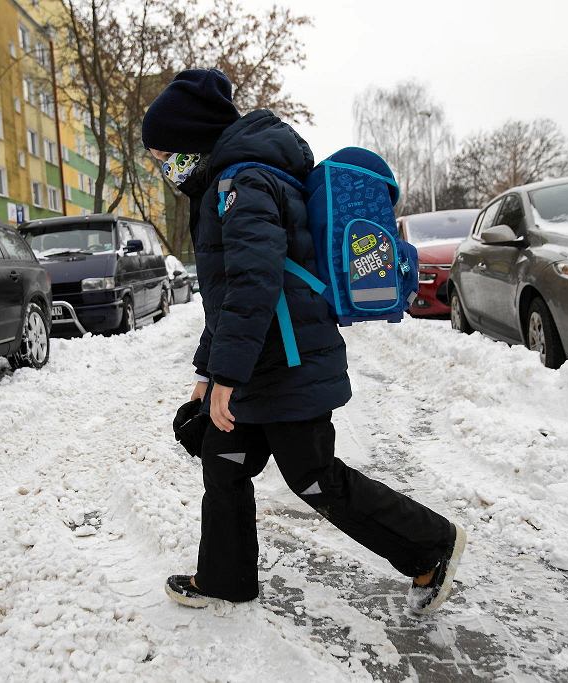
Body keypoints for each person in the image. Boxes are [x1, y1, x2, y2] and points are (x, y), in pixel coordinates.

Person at [141, 68, 466, 615]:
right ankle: (225, 577)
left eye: (163, 153)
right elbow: (227, 299)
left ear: (191, 139)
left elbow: (255, 285)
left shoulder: (241, 185)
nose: (163, 166)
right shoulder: (228, 184)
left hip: (286, 365)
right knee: (224, 462)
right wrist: (207, 375)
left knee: (315, 479)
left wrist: (228, 376)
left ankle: (432, 545)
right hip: (263, 360)